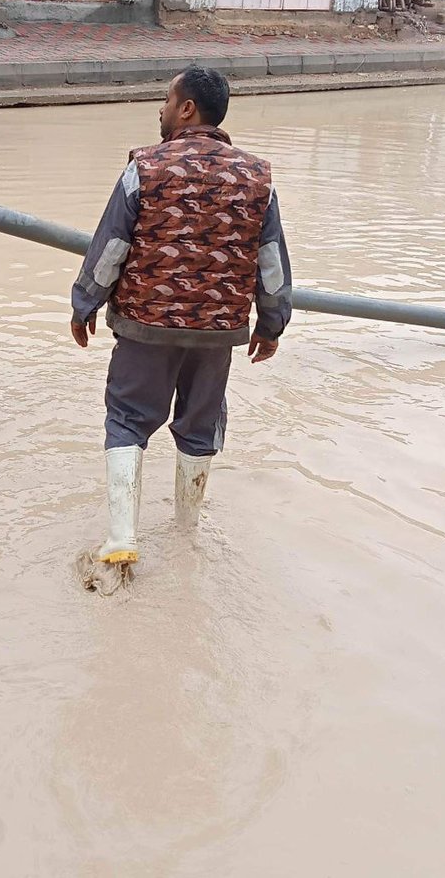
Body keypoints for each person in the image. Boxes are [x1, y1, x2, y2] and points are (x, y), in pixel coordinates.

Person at [71, 66, 292, 580]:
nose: (163, 109)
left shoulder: (144, 167)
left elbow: (111, 249)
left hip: (146, 324)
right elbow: (272, 261)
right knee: (198, 426)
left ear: (186, 108)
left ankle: (122, 539)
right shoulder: (258, 176)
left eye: (167, 100)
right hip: (219, 332)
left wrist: (85, 303)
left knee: (126, 420)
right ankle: (186, 535)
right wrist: (272, 322)